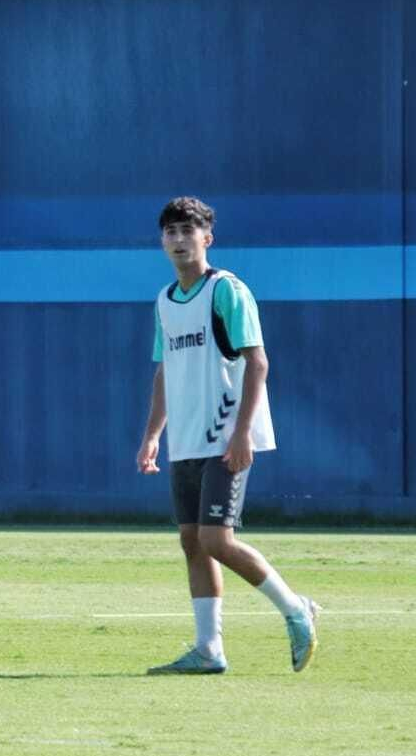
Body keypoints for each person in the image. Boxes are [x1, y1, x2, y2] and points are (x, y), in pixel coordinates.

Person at [136, 197, 319, 675]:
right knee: (192, 543)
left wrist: (242, 434)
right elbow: (164, 372)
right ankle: (209, 648)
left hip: (224, 439)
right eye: (171, 232)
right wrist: (154, 433)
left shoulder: (226, 291)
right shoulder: (164, 300)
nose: (179, 239)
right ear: (162, 240)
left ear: (207, 238)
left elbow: (257, 361)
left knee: (217, 539)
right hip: (188, 440)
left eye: (188, 231)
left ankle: (295, 609)